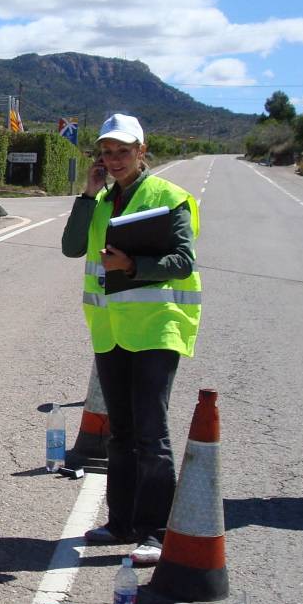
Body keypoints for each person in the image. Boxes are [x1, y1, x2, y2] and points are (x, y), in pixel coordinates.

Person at [61, 113, 201, 566]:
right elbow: (70, 246)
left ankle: (155, 532)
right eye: (107, 151)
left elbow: (181, 260)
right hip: (111, 331)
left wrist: (134, 267)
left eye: (124, 151)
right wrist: (86, 193)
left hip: (157, 328)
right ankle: (120, 521)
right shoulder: (100, 199)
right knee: (118, 434)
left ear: (142, 151)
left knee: (151, 434)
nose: (115, 159)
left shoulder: (169, 196)